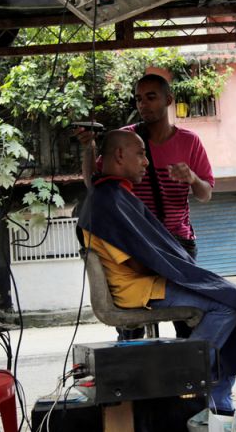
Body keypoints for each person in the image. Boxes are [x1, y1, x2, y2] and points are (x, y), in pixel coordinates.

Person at [78, 130, 236, 413]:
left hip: (150, 281)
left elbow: (145, 250)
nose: (146, 162)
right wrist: (175, 267)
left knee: (230, 295)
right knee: (228, 305)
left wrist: (176, 265)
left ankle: (219, 400)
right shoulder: (107, 201)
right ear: (119, 155)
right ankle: (182, 375)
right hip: (138, 289)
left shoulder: (115, 195)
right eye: (141, 154)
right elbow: (137, 262)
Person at [78, 73, 214, 338]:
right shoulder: (127, 141)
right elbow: (94, 183)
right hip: (137, 242)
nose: (143, 105)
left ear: (168, 100)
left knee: (189, 323)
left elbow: (205, 193)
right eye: (139, 99)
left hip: (177, 243)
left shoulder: (189, 141)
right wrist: (88, 148)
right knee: (131, 328)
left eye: (151, 97)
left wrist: (192, 178)